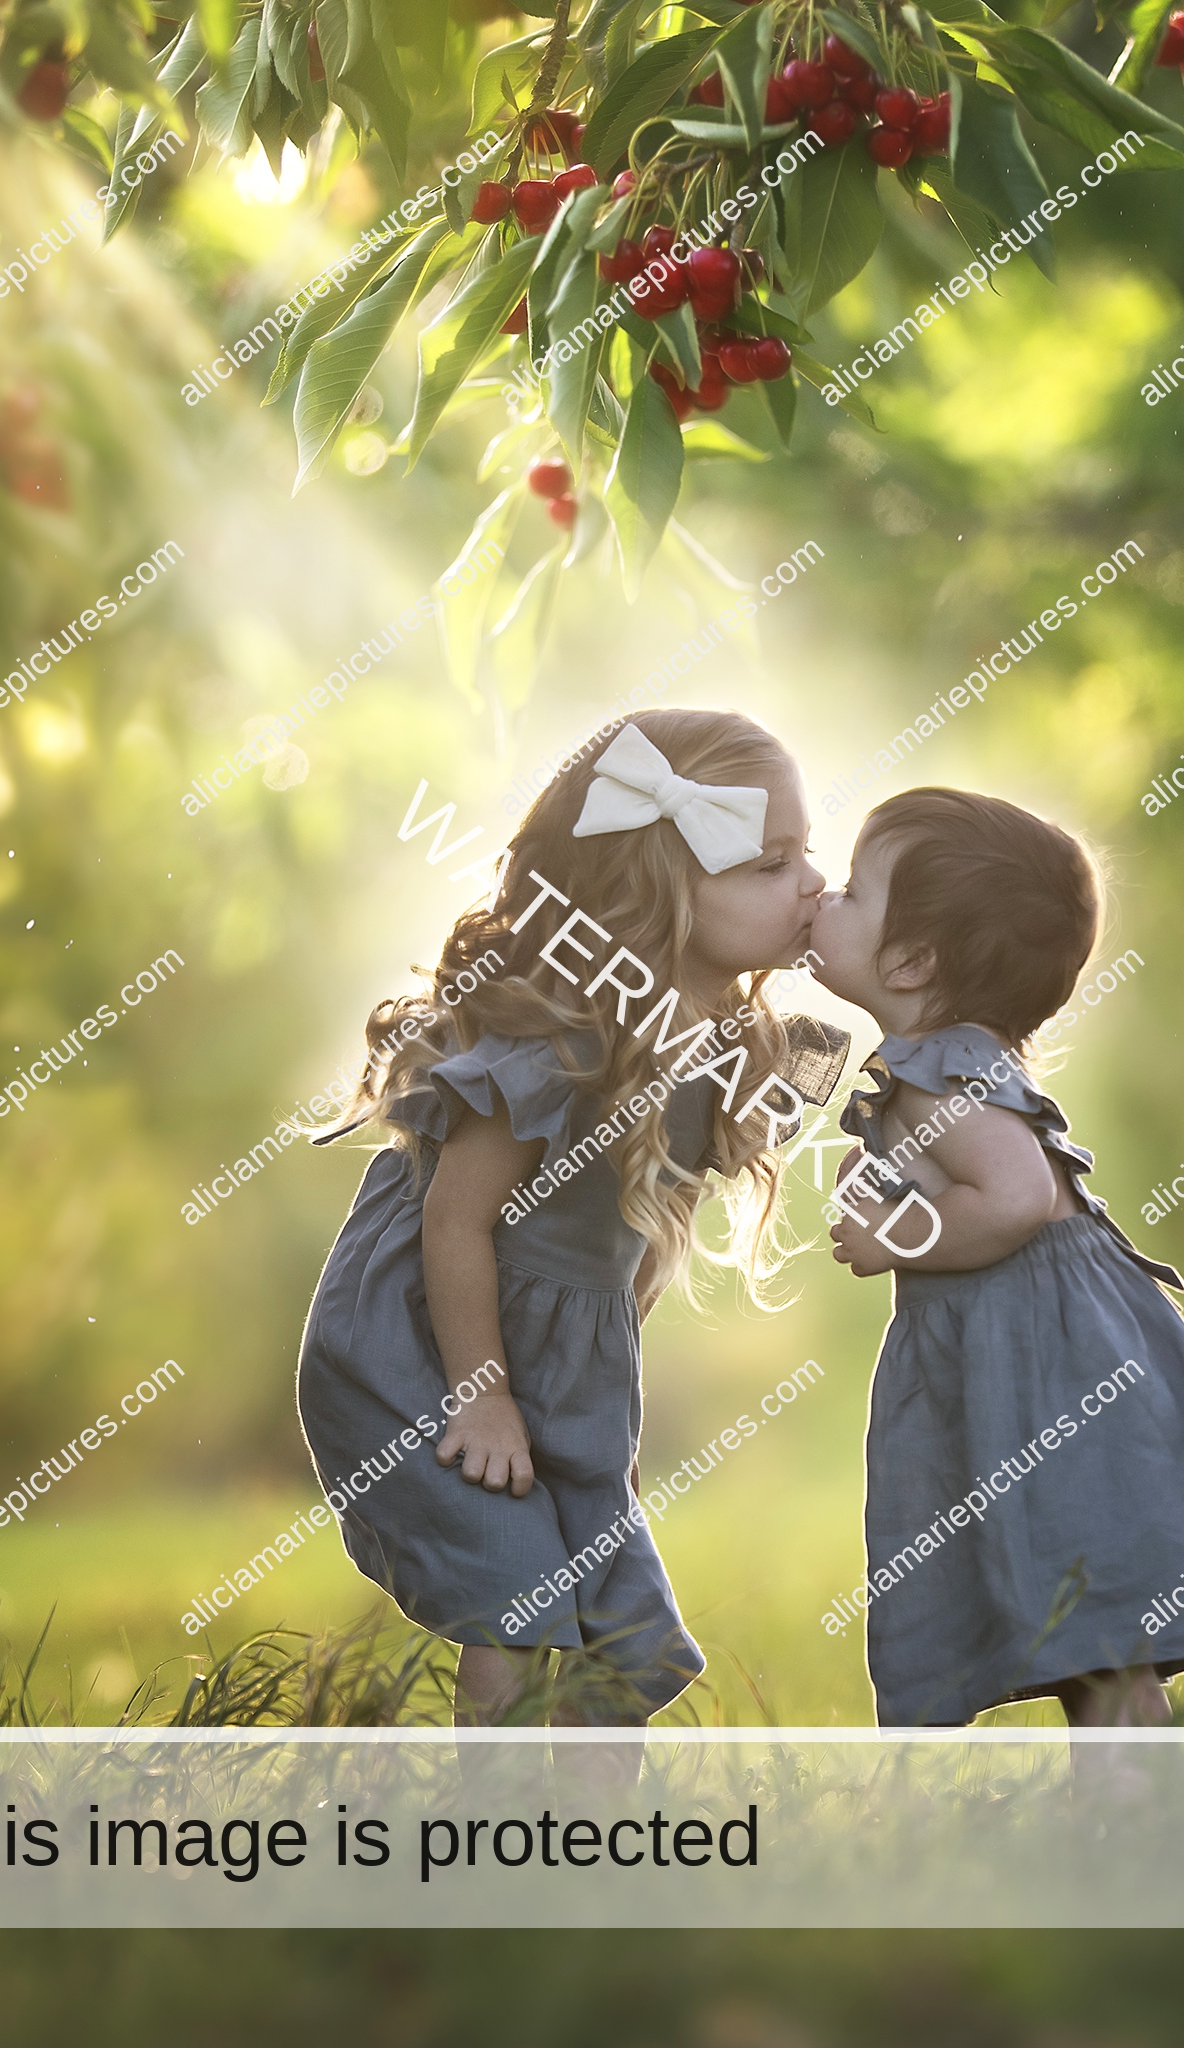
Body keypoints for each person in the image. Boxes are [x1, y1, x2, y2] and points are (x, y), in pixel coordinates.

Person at [296, 711, 842, 1730]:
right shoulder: (560, 1039)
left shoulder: (728, 1046)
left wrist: (601, 1409)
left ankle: (592, 1867)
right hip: (430, 1333)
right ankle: (499, 1854)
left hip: (564, 1349)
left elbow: (647, 1236)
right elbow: (454, 1223)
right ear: (663, 886)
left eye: (807, 852)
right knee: (521, 1603)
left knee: (612, 1622)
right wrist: (485, 1397)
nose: (811, 881)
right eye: (773, 863)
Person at [809, 786, 1184, 1729]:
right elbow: (982, 1180)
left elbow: (1011, 1199)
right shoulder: (941, 1063)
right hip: (1048, 1347)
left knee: (1097, 1620)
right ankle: (1126, 1811)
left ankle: (1127, 1821)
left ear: (912, 958)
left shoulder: (938, 1069)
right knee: (1094, 1623)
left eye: (852, 890)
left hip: (1044, 1367)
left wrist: (892, 1237)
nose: (824, 896)